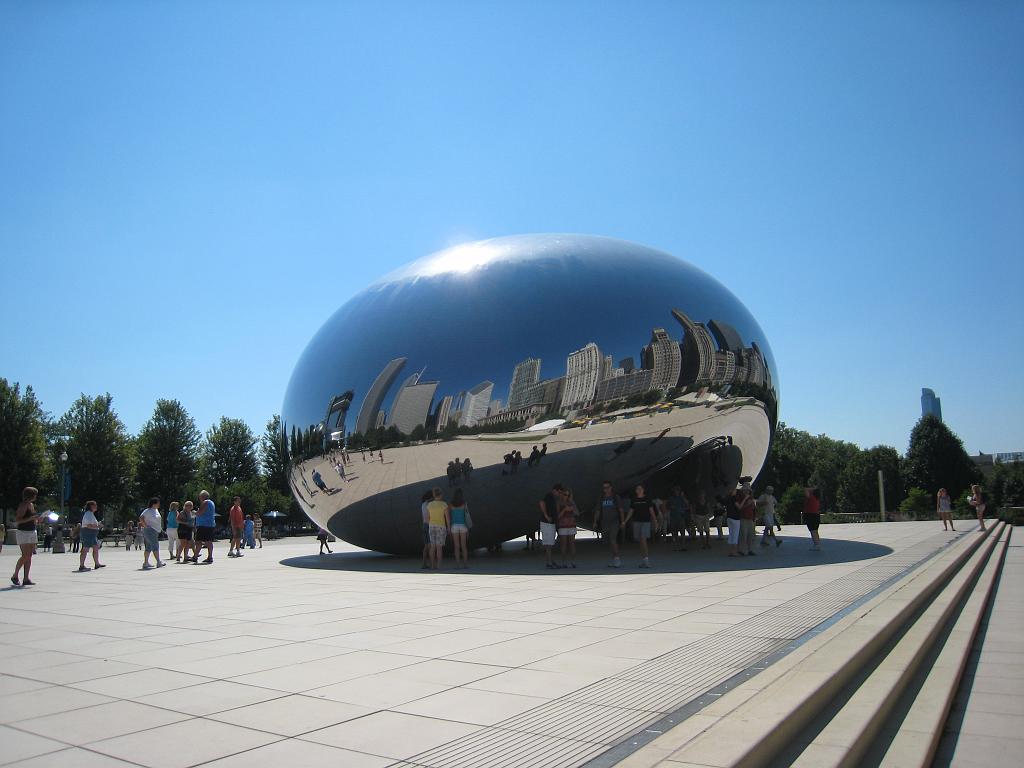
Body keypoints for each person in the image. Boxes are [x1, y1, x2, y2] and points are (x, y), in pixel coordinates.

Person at [11, 486, 41, 586]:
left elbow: (31, 518)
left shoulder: (31, 505)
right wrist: (31, 518)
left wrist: (37, 520)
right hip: (23, 532)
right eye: (35, 495)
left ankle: (26, 578)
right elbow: (18, 520)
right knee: (25, 555)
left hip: (32, 531)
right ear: (31, 495)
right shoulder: (23, 505)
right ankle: (15, 575)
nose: (36, 497)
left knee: (29, 556)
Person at [624, 484, 659, 568]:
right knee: (640, 541)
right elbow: (631, 511)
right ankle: (644, 560)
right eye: (637, 489)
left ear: (643, 490)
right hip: (636, 522)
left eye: (640, 489)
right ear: (636, 491)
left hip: (645, 522)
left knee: (643, 540)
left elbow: (651, 511)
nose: (639, 490)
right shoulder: (634, 500)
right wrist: (625, 521)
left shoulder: (647, 499)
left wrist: (655, 521)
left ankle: (647, 561)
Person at [593, 480, 624, 567]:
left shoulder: (615, 497)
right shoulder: (601, 498)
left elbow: (621, 510)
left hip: (614, 521)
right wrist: (595, 521)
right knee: (609, 541)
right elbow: (598, 510)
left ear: (611, 488)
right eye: (604, 488)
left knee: (613, 539)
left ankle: (617, 559)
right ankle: (614, 558)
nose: (605, 489)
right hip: (604, 522)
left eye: (607, 487)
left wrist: (622, 521)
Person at [538, 484, 563, 569]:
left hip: (550, 523)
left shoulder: (553, 498)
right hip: (547, 523)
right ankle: (549, 562)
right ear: (554, 490)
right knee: (548, 544)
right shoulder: (549, 496)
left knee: (550, 543)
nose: (559, 494)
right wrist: (546, 516)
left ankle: (550, 561)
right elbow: (541, 503)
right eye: (559, 492)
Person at [77, 500, 106, 572]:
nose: (96, 507)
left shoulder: (91, 514)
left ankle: (97, 563)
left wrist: (97, 525)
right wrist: (98, 526)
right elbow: (89, 525)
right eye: (95, 505)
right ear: (91, 506)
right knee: (85, 549)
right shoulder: (88, 514)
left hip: (92, 534)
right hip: (88, 533)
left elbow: (91, 524)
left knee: (95, 548)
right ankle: (81, 566)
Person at [425, 487, 450, 569]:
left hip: (431, 526)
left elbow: (427, 518)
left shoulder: (429, 505)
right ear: (441, 494)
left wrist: (430, 524)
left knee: (432, 546)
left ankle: (432, 565)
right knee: (439, 548)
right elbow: (447, 518)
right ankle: (439, 566)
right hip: (441, 527)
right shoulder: (444, 504)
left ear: (434, 495)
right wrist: (448, 527)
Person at [139, 498, 166, 569]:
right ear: (154, 503)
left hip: (155, 530)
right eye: (158, 503)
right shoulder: (148, 510)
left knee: (149, 547)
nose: (159, 504)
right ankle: (158, 562)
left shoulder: (156, 510)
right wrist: (145, 526)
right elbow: (141, 518)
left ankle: (145, 562)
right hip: (150, 530)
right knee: (155, 545)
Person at [557, 488, 578, 568]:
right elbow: (557, 516)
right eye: (565, 494)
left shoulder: (572, 503)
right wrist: (564, 510)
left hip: (571, 526)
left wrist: (572, 508)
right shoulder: (559, 503)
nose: (566, 496)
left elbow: (577, 513)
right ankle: (563, 562)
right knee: (563, 544)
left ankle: (573, 561)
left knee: (572, 544)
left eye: (568, 495)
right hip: (563, 526)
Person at [449, 488, 471, 568]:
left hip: (454, 526)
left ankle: (457, 564)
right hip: (463, 525)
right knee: (464, 546)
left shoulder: (451, 504)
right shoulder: (464, 504)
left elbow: (450, 516)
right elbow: (466, 515)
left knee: (456, 546)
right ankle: (465, 564)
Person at [194, 490, 216, 564]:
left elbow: (200, 513)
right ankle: (210, 556)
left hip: (203, 525)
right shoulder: (211, 503)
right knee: (209, 541)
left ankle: (195, 556)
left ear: (202, 496)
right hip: (210, 524)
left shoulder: (205, 502)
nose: (199, 498)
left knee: (198, 541)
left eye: (200, 496)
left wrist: (194, 513)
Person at [666, 486, 690, 551]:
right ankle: (676, 546)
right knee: (674, 532)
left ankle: (683, 546)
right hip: (674, 517)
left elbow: (687, 505)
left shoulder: (682, 498)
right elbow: (667, 506)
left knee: (682, 532)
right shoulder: (671, 498)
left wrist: (683, 497)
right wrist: (671, 507)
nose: (676, 492)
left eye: (678, 491)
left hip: (681, 516)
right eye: (675, 490)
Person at [738, 486, 757, 556]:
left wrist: (754, 517)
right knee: (743, 535)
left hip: (750, 519)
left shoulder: (751, 499)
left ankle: (750, 549)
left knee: (750, 535)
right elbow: (739, 508)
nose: (746, 492)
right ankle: (741, 550)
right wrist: (747, 503)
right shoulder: (740, 499)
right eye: (745, 490)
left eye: (748, 490)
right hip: (743, 518)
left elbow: (754, 509)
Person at [725, 488, 743, 557]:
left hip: (729, 517)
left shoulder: (728, 499)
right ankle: (734, 551)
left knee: (731, 534)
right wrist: (744, 500)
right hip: (735, 518)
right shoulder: (734, 498)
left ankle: (730, 551)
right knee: (735, 535)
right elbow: (739, 507)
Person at [420, 489, 434, 569]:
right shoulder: (429, 504)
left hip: (424, 525)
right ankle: (432, 563)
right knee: (430, 546)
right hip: (429, 525)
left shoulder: (423, 504)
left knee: (426, 546)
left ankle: (424, 563)